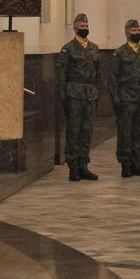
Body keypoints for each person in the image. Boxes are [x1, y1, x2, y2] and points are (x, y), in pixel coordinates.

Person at [56, 14, 102, 181]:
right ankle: (73, 167)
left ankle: (84, 165)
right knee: (73, 131)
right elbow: (61, 74)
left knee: (87, 131)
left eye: (86, 26)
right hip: (73, 94)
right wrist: (63, 96)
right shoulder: (68, 48)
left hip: (90, 95)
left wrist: (97, 93)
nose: (85, 29)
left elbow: (99, 74)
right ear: (74, 28)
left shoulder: (94, 48)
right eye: (81, 27)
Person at [109, 20, 140, 178]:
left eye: (138, 29)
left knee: (139, 131)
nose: (137, 32)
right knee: (125, 131)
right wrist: (115, 99)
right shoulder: (120, 53)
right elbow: (113, 78)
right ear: (127, 33)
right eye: (134, 30)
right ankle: (125, 163)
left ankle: (136, 162)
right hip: (126, 96)